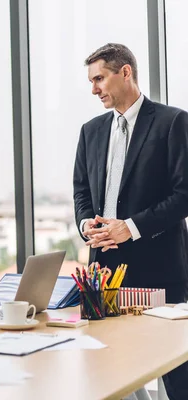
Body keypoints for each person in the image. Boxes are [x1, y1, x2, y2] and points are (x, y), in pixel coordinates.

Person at [73, 43, 188, 400]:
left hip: (160, 270)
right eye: (91, 81)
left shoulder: (172, 122)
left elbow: (183, 194)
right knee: (110, 373)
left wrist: (130, 227)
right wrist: (85, 225)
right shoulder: (90, 131)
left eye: (99, 78)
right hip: (103, 275)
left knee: (178, 376)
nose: (94, 89)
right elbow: (81, 191)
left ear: (125, 72)